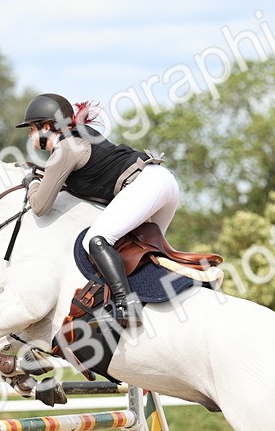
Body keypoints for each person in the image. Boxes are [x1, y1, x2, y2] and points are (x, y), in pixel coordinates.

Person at [18, 92, 179, 329]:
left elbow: (40, 206)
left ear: (47, 127)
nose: (29, 135)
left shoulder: (65, 148)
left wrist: (32, 182)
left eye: (32, 128)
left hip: (148, 185)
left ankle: (126, 305)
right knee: (138, 250)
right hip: (161, 182)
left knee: (95, 239)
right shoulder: (80, 137)